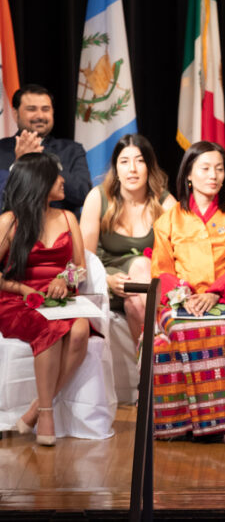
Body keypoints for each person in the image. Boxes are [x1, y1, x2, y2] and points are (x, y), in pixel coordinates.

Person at [150, 141, 225, 442]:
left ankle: (211, 426)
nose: (214, 175)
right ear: (189, 175)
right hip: (178, 301)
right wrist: (184, 295)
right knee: (172, 336)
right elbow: (163, 269)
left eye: (219, 169)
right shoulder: (168, 219)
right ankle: (178, 426)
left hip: (224, 300)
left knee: (221, 330)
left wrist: (214, 294)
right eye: (205, 168)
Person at [0, 152, 92, 446]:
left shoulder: (67, 217)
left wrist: (64, 279)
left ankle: (32, 412)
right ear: (39, 181)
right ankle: (46, 413)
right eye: (56, 175)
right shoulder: (9, 222)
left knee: (80, 331)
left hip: (59, 299)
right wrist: (23, 289)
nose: (64, 181)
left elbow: (81, 270)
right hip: (18, 299)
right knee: (49, 330)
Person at [80, 134, 176, 342]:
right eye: (124, 162)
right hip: (107, 278)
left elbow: (182, 251)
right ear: (116, 168)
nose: (132, 169)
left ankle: (145, 365)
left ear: (149, 166)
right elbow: (83, 258)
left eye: (140, 161)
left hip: (149, 283)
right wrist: (107, 280)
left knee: (135, 302)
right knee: (141, 268)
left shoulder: (164, 202)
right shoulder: (98, 197)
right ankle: (163, 348)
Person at [0, 85, 91, 215]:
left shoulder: (72, 150)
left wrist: (44, 161)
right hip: (12, 231)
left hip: (61, 231)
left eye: (45, 109)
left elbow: (83, 195)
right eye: (31, 109)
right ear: (15, 114)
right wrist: (19, 164)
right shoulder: (1, 150)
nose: (40, 116)